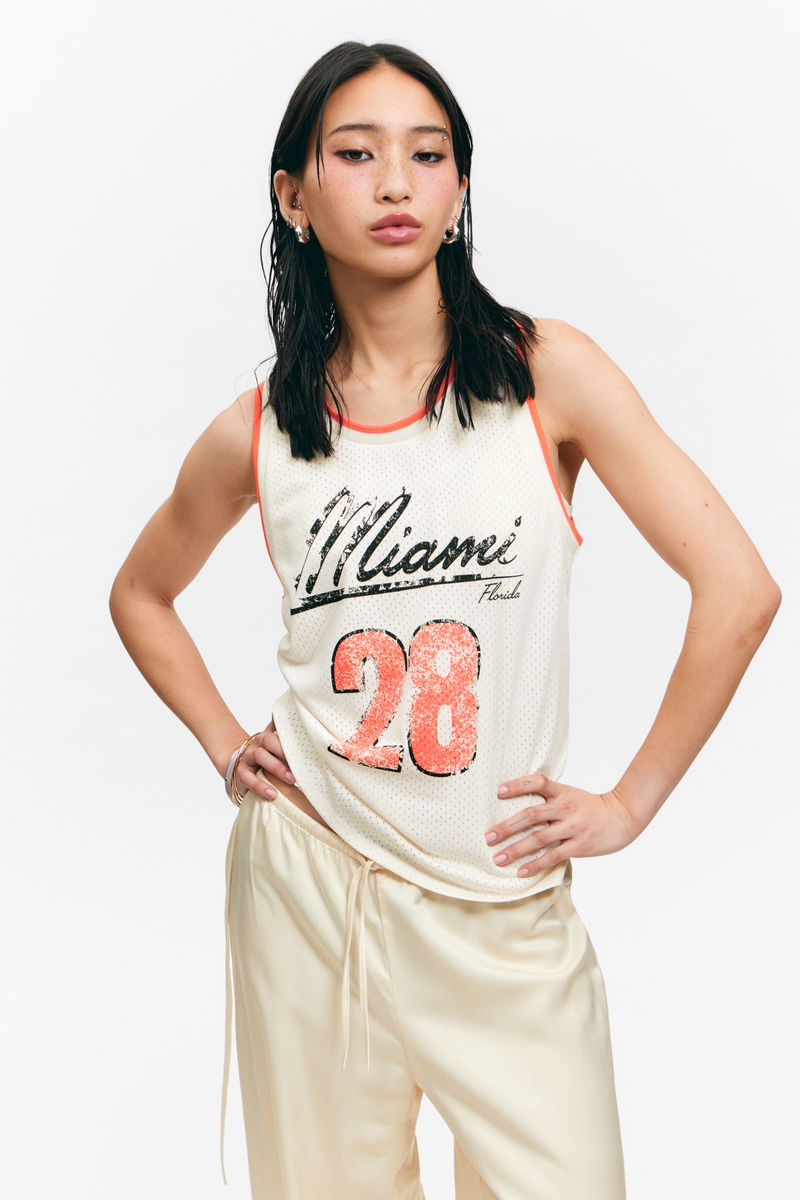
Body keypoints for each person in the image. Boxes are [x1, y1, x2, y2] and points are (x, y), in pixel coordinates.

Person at [108, 40, 781, 1200]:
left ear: (460, 190)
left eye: (426, 156)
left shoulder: (543, 375)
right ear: (293, 196)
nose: (394, 183)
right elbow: (140, 593)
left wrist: (628, 803)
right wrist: (225, 745)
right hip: (309, 887)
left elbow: (738, 587)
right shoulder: (258, 432)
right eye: (355, 154)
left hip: (500, 904)